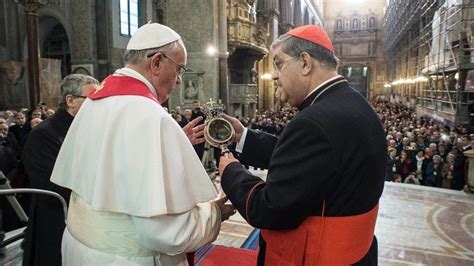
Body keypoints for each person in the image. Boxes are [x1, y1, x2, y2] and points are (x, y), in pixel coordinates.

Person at [50, 23, 234, 265]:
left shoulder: (93, 103)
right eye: (179, 69)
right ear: (157, 62)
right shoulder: (151, 116)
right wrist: (214, 215)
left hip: (79, 248)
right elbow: (165, 234)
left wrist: (172, 147)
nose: (179, 80)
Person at [217, 25, 386, 265]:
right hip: (357, 254)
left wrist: (230, 170)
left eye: (278, 63)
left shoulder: (313, 122)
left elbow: (268, 209)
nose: (274, 75)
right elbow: (308, 162)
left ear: (305, 63)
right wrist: (243, 136)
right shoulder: (351, 101)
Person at [21, 74, 100, 266]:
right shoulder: (43, 135)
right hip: (56, 222)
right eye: (92, 99)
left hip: (86, 221)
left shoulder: (91, 129)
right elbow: (53, 187)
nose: (98, 105)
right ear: (70, 100)